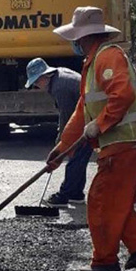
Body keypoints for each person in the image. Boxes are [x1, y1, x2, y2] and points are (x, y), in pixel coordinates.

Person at [45, 7, 136, 271]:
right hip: (125, 143)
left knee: (99, 200)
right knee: (114, 199)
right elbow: (82, 111)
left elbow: (122, 95)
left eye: (76, 38)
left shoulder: (107, 57)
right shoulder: (94, 63)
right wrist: (61, 149)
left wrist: (100, 124)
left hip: (126, 142)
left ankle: (105, 262)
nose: (75, 43)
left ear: (84, 37)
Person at [25, 58, 90, 206]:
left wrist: (61, 144)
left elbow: (67, 117)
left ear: (44, 77)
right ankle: (75, 193)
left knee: (76, 157)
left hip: (87, 120)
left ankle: (65, 194)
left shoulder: (60, 87)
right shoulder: (58, 76)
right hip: (85, 116)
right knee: (79, 158)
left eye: (36, 82)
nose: (36, 86)